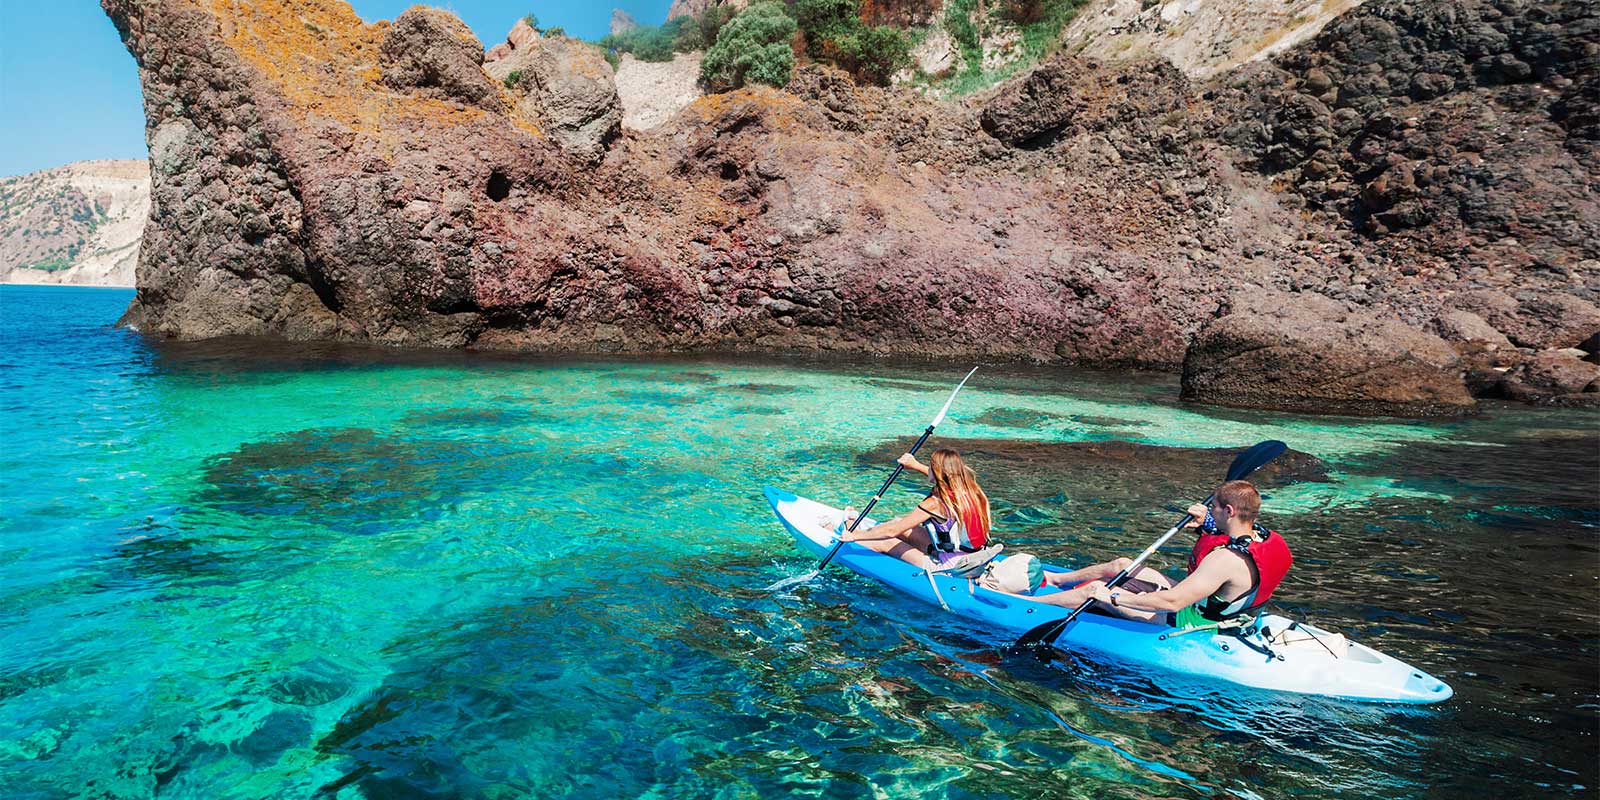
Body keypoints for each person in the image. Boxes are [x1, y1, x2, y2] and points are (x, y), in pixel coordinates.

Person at [1034, 480, 1292, 630]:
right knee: (1123, 565)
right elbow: (1239, 544)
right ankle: (1057, 580)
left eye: (1213, 508)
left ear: (1229, 510)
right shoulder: (1269, 538)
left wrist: (1112, 596)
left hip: (1193, 621)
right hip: (1221, 607)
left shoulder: (1224, 560)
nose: (1209, 511)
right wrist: (1206, 525)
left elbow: (1172, 603)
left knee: (1094, 592)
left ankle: (1022, 603)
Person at [840, 449, 999, 572]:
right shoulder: (971, 488)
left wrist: (855, 535)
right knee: (899, 523)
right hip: (974, 557)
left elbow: (892, 531)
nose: (927, 468)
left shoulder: (935, 504)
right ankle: (863, 535)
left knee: (885, 540)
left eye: (930, 466)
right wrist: (915, 465)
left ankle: (849, 534)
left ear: (936, 472)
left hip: (951, 567)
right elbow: (944, 480)